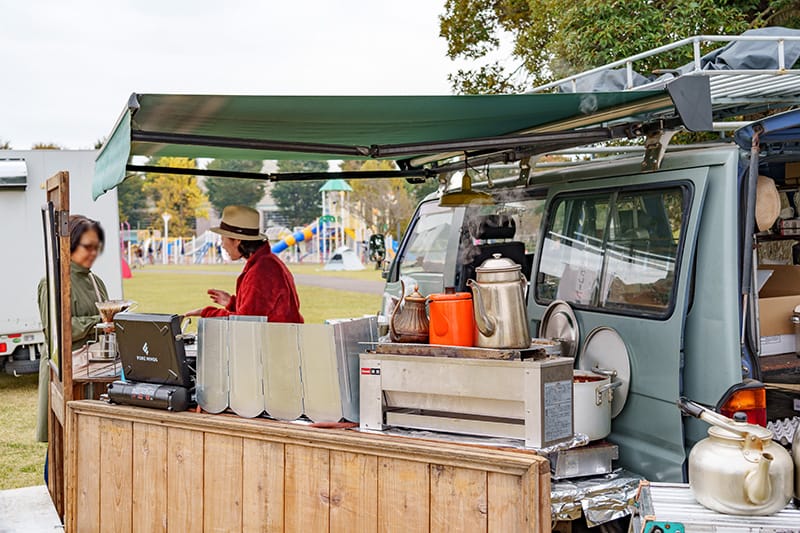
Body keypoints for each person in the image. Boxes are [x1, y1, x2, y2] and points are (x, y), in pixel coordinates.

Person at [36, 216, 109, 443]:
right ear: (70, 244)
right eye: (87, 247)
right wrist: (98, 322)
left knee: (87, 442)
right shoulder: (52, 282)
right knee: (61, 443)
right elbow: (57, 331)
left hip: (94, 373)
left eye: (96, 248)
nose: (93, 253)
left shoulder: (96, 281)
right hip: (64, 375)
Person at [185, 206, 304, 323]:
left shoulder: (262, 270)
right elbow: (259, 310)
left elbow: (246, 322)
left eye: (223, 239)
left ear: (237, 240)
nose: (222, 245)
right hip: (281, 338)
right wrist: (231, 303)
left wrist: (207, 313)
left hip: (276, 341)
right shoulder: (265, 262)